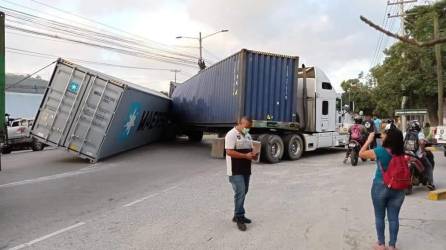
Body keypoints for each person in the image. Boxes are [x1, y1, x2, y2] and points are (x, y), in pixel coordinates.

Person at [359, 124, 406, 250]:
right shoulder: (402, 153)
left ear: (389, 138)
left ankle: (381, 244)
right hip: (398, 188)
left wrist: (369, 140)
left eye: (385, 134)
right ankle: (392, 246)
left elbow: (361, 154)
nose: (382, 135)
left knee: (380, 216)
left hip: (380, 186)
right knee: (394, 218)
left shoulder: (380, 151)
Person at [225, 116, 258, 231]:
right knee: (240, 192)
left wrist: (254, 154)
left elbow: (251, 150)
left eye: (249, 127)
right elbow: (229, 151)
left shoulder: (248, 135)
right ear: (240, 123)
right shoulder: (231, 134)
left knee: (244, 191)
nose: (248, 129)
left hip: (245, 169)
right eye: (247, 126)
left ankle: (237, 214)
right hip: (235, 170)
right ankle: (239, 217)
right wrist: (245, 156)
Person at [405, 121, 435, 190]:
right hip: (417, 156)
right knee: (428, 166)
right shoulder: (420, 134)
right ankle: (430, 183)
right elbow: (422, 142)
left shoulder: (405, 133)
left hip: (406, 154)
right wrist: (423, 151)